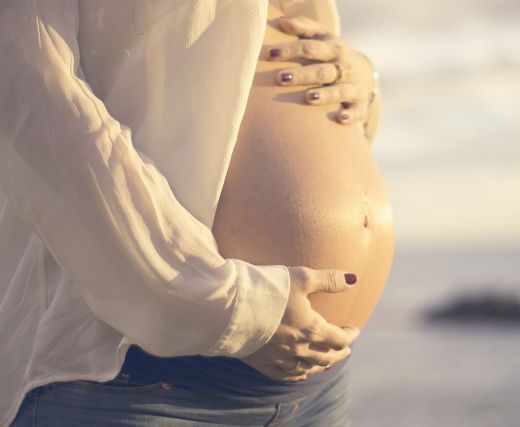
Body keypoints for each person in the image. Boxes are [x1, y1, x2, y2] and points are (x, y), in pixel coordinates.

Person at [0, 0, 393, 426]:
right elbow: (30, 84)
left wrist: (359, 79)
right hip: (141, 380)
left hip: (317, 384)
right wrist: (228, 307)